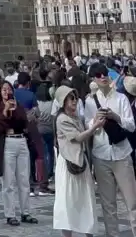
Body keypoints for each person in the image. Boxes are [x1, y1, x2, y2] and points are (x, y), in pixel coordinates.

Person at [84, 62, 136, 237]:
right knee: (108, 204)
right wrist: (95, 122)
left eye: (104, 74)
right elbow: (87, 126)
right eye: (98, 75)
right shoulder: (90, 101)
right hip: (101, 155)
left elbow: (131, 125)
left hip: (122, 153)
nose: (103, 77)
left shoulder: (121, 98)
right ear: (94, 79)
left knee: (132, 202)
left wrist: (116, 117)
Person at [54, 85, 102, 237]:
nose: (75, 100)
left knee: (86, 199)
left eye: (75, 97)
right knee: (67, 201)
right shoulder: (62, 119)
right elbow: (78, 137)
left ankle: (88, 232)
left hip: (80, 161)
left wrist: (93, 122)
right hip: (69, 163)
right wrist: (95, 126)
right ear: (63, 100)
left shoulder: (75, 117)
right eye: (71, 98)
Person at [0, 80, 38, 226]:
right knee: (8, 181)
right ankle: (10, 214)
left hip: (21, 141)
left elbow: (23, 122)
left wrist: (12, 116)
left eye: (9, 89)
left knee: (24, 179)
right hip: (8, 142)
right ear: (0, 93)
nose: (7, 92)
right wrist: (6, 112)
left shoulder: (17, 105)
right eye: (4, 90)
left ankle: (26, 212)